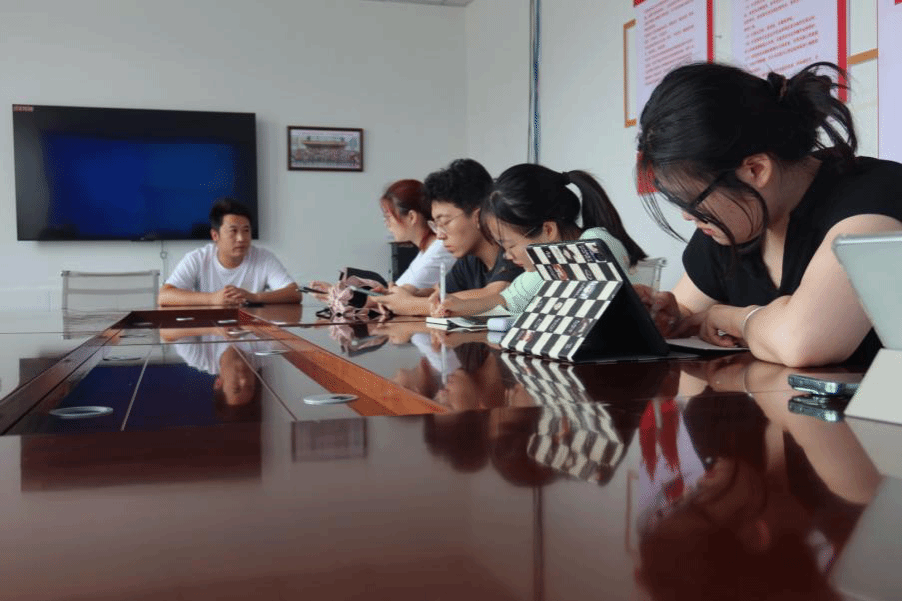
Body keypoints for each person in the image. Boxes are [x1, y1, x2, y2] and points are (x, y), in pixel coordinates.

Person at [635, 62, 902, 367]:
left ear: (755, 170)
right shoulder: (733, 222)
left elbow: (801, 342)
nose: (687, 216)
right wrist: (666, 318)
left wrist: (730, 317)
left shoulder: (874, 196)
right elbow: (687, 314)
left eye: (692, 200)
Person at [432, 163, 646, 317]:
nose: (507, 255)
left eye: (510, 245)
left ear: (548, 230)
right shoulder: (548, 266)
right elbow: (507, 301)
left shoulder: (595, 242)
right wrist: (459, 306)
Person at [374, 159, 523, 315]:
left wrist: (410, 304)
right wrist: (402, 295)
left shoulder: (512, 251)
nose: (439, 235)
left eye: (444, 222)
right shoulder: (469, 260)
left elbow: (495, 296)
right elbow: (439, 292)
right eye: (435, 225)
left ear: (478, 216)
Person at [308, 179, 456, 299]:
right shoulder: (426, 251)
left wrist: (337, 295)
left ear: (411, 217)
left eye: (388, 217)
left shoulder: (439, 250)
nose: (387, 224)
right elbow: (393, 292)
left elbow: (396, 299)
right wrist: (336, 292)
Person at [159, 198, 300, 306]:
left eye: (246, 230)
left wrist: (254, 297)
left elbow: (294, 293)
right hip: (210, 329)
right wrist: (212, 299)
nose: (241, 238)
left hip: (251, 329)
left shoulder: (264, 258)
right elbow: (164, 296)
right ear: (215, 235)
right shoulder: (198, 258)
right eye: (233, 231)